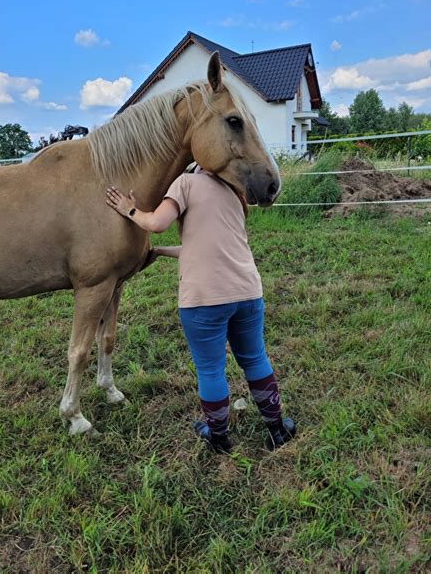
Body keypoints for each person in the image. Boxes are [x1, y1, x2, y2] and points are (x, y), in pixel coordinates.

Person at [106, 167, 295, 453]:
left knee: (210, 370)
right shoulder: (235, 192)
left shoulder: (186, 183)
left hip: (204, 299)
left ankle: (218, 437)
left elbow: (156, 223)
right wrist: (158, 252)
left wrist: (129, 209)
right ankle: (277, 429)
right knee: (255, 359)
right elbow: (202, 247)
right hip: (247, 292)